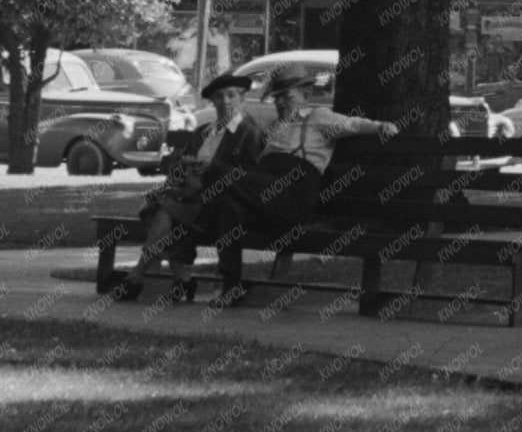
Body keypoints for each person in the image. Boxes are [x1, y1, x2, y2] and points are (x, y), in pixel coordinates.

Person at [213, 68, 400, 305]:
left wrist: (381, 126)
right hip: (267, 197)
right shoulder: (274, 128)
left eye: (287, 97)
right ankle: (231, 287)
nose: (280, 102)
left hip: (294, 193)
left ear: (306, 95)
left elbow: (354, 123)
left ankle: (191, 201)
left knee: (220, 174)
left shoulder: (319, 117)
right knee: (229, 209)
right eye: (277, 98)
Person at [112, 69, 266, 302]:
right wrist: (184, 167)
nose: (225, 101)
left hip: (218, 202)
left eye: (231, 95)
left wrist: (211, 170)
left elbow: (250, 177)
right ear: (212, 101)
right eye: (219, 96)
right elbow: (176, 165)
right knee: (167, 210)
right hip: (188, 196)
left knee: (166, 210)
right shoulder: (203, 131)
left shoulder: (248, 132)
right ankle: (182, 281)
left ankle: (139, 276)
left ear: (242, 98)